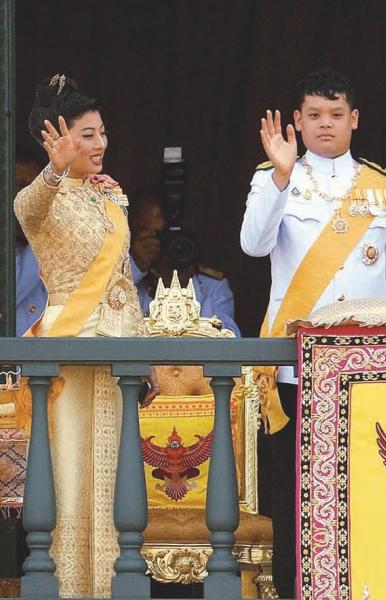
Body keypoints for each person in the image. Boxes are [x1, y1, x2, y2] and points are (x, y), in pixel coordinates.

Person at [240, 67, 386, 598]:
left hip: (367, 366)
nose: (324, 125)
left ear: (354, 120)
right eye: (314, 115)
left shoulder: (384, 189)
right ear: (296, 120)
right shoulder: (274, 178)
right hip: (297, 365)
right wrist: (278, 176)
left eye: (336, 115)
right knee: (300, 496)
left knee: (368, 489)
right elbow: (253, 244)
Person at [14, 75, 157, 597]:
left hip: (119, 348)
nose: (101, 145)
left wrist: (144, 350)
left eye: (102, 134)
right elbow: (26, 210)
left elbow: (122, 283)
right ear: (59, 139)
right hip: (71, 347)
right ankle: (68, 588)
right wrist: (52, 171)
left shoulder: (109, 195)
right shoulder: (44, 199)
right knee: (71, 476)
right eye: (88, 135)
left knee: (116, 479)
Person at [128, 188, 240, 336]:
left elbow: (230, 340)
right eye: (156, 235)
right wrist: (136, 266)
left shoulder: (213, 287)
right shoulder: (127, 284)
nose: (168, 244)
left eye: (169, 235)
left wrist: (188, 287)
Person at [14, 148, 46, 336]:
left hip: (48, 358)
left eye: (33, 188)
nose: (27, 195)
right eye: (19, 185)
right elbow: (9, 294)